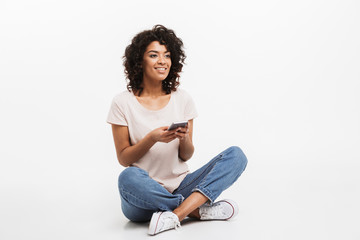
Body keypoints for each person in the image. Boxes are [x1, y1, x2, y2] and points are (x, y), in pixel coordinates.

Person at [107, 25, 248, 235]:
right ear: (140, 61)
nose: (162, 61)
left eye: (167, 55)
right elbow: (124, 159)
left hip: (181, 184)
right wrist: (152, 138)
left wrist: (183, 139)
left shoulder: (182, 99)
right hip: (142, 197)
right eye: (154, 55)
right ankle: (196, 211)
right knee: (127, 177)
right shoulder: (122, 102)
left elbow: (187, 155)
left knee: (237, 156)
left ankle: (177, 213)